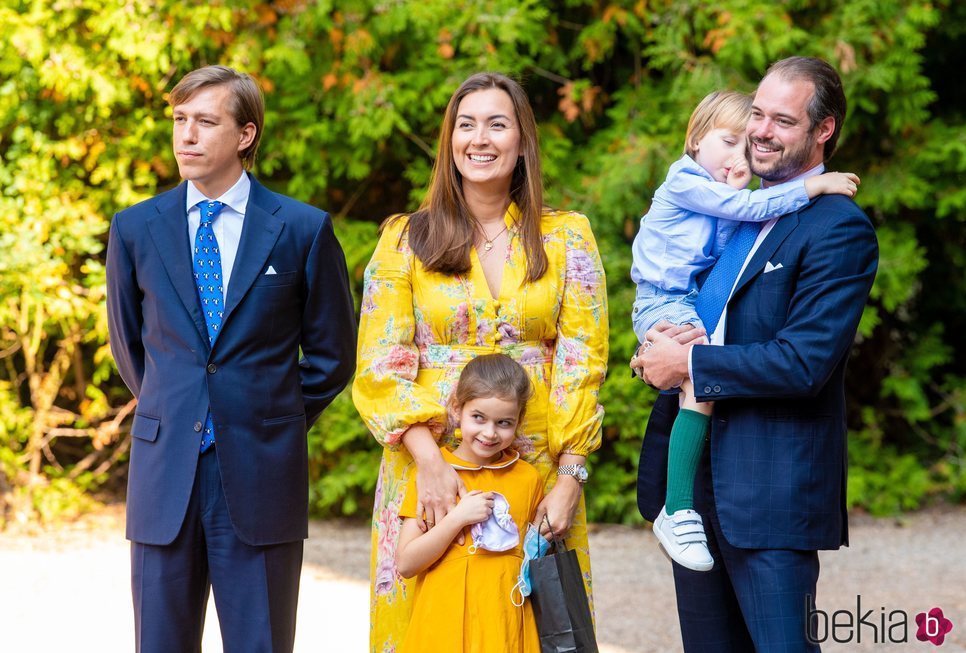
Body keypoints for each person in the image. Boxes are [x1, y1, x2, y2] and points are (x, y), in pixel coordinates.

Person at [352, 72, 608, 652]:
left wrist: (569, 476)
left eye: (497, 123)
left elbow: (582, 363)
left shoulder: (566, 237)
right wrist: (429, 463)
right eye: (465, 124)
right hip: (427, 461)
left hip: (537, 465)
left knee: (532, 620)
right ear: (449, 141)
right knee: (428, 617)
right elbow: (377, 365)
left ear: (522, 141)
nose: (480, 138)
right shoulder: (405, 238)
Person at [105, 65, 357, 652]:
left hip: (262, 471)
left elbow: (333, 354)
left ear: (245, 135)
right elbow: (129, 344)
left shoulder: (302, 229)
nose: (185, 136)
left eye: (205, 122)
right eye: (179, 121)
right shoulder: (135, 228)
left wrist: (270, 416)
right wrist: (177, 408)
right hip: (165, 471)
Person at [631, 56, 878, 651]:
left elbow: (803, 362)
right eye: (756, 115)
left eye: (782, 120)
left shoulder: (835, 228)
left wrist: (687, 366)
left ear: (823, 130)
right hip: (693, 492)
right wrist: (658, 351)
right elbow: (698, 310)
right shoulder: (722, 211)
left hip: (769, 495)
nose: (760, 132)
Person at [395, 354, 544, 653]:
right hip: (442, 628)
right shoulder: (434, 477)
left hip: (504, 627)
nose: (490, 433)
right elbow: (407, 563)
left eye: (504, 423)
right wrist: (457, 519)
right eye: (479, 418)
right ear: (457, 409)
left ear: (519, 421)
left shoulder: (528, 478)